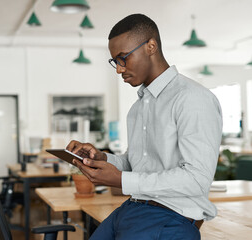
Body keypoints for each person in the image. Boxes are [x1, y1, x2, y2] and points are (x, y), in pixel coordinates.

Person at [66, 13, 222, 240]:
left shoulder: (192, 98)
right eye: (115, 62)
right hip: (133, 207)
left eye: (123, 58)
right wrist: (102, 157)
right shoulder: (138, 108)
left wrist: (121, 180)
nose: (119, 69)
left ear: (151, 46)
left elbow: (197, 179)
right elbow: (136, 163)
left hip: (170, 216)